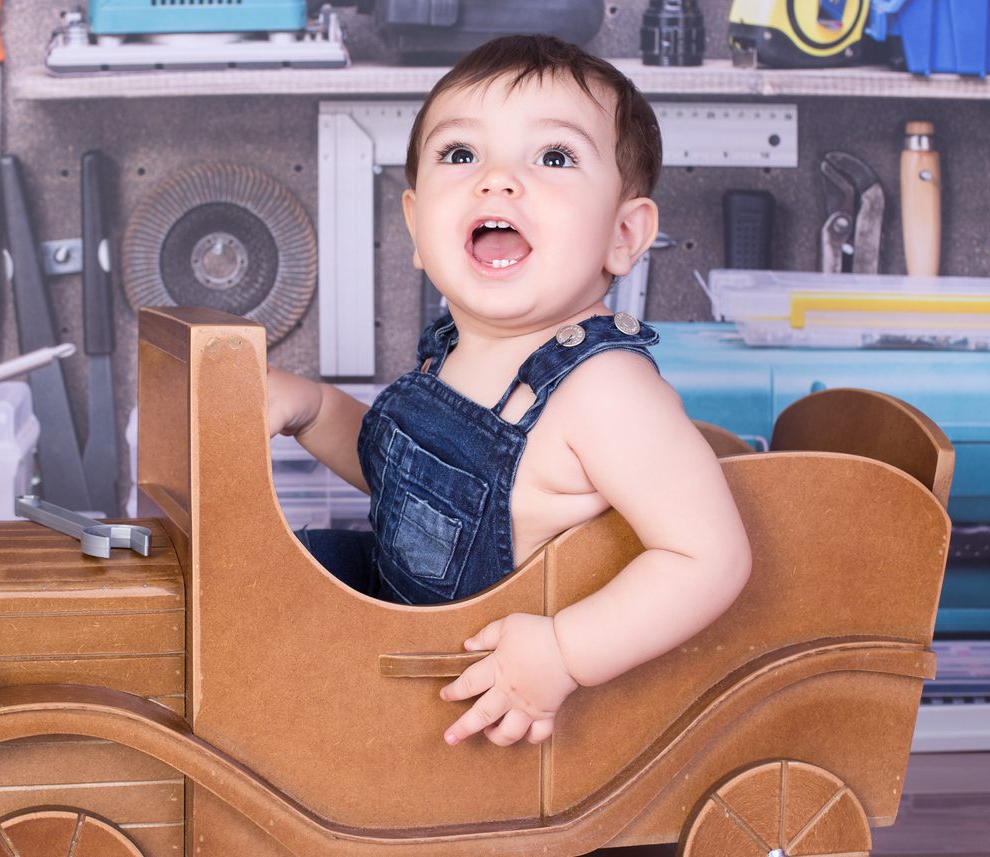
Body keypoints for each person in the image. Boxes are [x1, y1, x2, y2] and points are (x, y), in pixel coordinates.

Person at [267, 34, 751, 749]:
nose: (496, 179)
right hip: (403, 631)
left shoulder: (605, 390)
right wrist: (311, 409)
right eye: (461, 153)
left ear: (623, 235)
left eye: (553, 157)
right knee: (266, 581)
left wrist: (563, 651)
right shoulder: (452, 348)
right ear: (415, 226)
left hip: (476, 694)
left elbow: (708, 558)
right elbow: (399, 481)